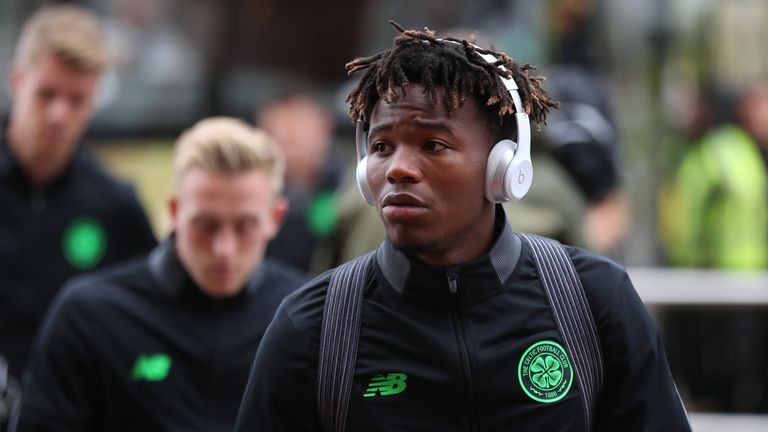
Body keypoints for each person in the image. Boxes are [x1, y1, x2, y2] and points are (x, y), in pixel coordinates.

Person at [235, 23, 690, 431]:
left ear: (504, 165)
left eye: (432, 144)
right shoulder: (311, 330)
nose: (397, 169)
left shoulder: (595, 302)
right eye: (381, 147)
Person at [13, 117, 307, 431]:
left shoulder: (302, 317)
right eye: (206, 226)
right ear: (175, 212)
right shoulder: (89, 315)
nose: (224, 248)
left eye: (244, 227)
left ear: (275, 218)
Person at [0, 4, 156, 384]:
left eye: (76, 100)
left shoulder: (116, 205)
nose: (59, 114)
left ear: (96, 97)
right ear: (17, 80)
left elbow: (153, 327)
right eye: (47, 94)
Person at [659, 83, 768, 412]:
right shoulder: (745, 151)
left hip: (714, 278)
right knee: (746, 376)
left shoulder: (709, 152)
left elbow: (684, 219)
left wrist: (681, 260)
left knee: (716, 380)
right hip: (752, 274)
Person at [256, 88, 343, 274]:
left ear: (325, 129)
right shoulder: (254, 195)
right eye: (274, 130)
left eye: (296, 129)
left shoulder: (350, 192)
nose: (284, 137)